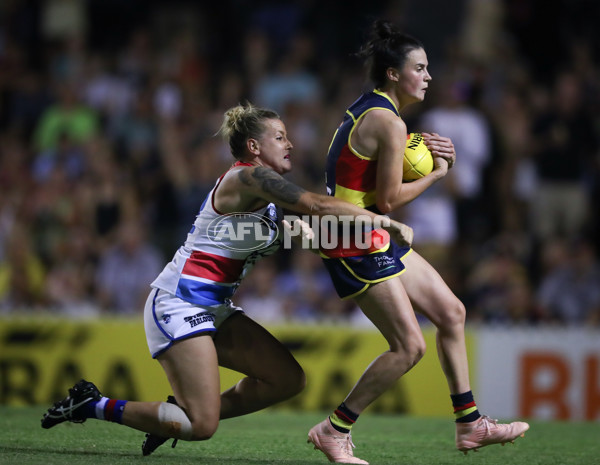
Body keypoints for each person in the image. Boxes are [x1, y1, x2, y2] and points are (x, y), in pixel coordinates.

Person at [40, 103, 414, 457]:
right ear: (254, 146)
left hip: (213, 309)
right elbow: (316, 206)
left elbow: (319, 234)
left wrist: (376, 245)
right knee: (202, 427)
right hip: (178, 302)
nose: (291, 143)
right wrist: (384, 221)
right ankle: (93, 403)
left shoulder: (266, 203)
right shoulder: (245, 176)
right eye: (280, 136)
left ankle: (172, 419)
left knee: (287, 380)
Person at [306, 20, 529, 464]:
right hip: (352, 238)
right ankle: (334, 430)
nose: (429, 77)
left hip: (362, 230)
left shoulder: (374, 111)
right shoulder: (387, 122)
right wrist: (435, 174)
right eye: (420, 68)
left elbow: (369, 186)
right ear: (394, 73)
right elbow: (387, 201)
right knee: (410, 347)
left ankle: (470, 424)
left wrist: (416, 156)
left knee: (452, 311)